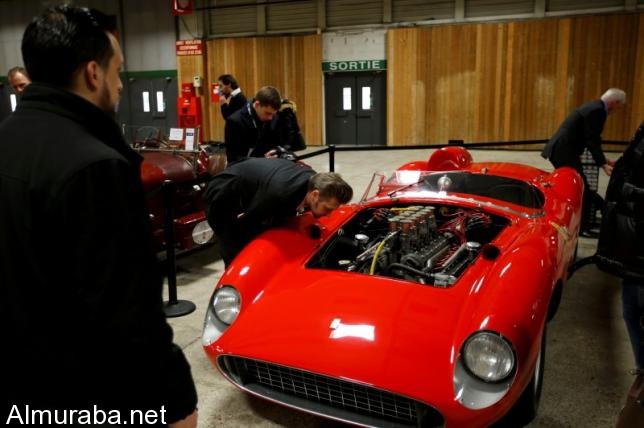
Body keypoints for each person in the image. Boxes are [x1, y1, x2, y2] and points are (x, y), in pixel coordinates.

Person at [0, 5, 197, 427]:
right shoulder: (94, 167)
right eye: (118, 71)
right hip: (88, 395)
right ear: (93, 73)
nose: (122, 84)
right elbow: (128, 314)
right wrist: (172, 400)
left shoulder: (8, 140)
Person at [204, 157, 353, 267]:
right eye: (327, 208)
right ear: (314, 195)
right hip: (223, 193)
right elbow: (248, 223)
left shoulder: (313, 180)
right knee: (234, 246)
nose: (328, 214)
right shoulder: (279, 194)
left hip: (254, 186)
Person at [541, 88, 626, 237]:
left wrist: (604, 160)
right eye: (619, 106)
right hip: (563, 151)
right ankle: (592, 219)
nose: (618, 110)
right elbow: (592, 139)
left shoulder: (595, 107)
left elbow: (590, 138)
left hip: (563, 150)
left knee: (582, 188)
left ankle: (591, 219)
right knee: (582, 188)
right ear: (614, 102)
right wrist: (602, 164)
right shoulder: (598, 111)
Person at [595, 122, 644, 375]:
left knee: (634, 309)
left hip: (637, 241)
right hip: (631, 241)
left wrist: (627, 191)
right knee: (630, 311)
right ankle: (641, 367)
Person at [224, 85, 281, 163]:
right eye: (267, 113)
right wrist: (262, 160)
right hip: (244, 170)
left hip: (268, 167)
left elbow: (280, 143)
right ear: (257, 105)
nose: (270, 118)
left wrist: (278, 151)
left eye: (273, 114)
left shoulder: (273, 116)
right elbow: (233, 159)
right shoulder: (234, 122)